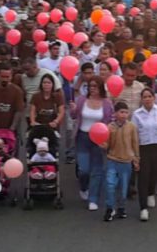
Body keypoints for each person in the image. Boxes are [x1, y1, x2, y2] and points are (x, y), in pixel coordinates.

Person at [70, 75, 113, 211]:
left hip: (98, 139)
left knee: (97, 170)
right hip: (83, 137)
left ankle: (93, 198)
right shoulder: (82, 100)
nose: (92, 89)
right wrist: (73, 110)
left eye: (95, 86)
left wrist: (107, 139)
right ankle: (84, 187)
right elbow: (74, 116)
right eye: (90, 86)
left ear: (100, 87)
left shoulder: (107, 103)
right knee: (84, 169)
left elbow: (110, 121)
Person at [132, 88, 157, 222]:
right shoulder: (137, 114)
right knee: (143, 176)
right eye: (145, 97)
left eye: (150, 96)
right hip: (143, 147)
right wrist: (134, 153)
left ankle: (150, 193)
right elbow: (134, 134)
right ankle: (143, 208)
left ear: (154, 98)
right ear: (141, 99)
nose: (147, 99)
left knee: (155, 174)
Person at [102, 101, 139, 222]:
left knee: (123, 189)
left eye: (126, 112)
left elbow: (135, 143)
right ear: (115, 113)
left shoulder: (131, 127)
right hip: (112, 160)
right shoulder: (110, 127)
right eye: (121, 112)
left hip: (126, 161)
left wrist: (136, 159)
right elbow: (107, 144)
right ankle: (109, 208)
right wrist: (102, 145)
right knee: (110, 185)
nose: (124, 115)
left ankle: (121, 208)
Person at [28, 73, 64, 157]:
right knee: (33, 145)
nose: (46, 85)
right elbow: (32, 111)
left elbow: (61, 111)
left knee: (52, 148)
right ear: (41, 84)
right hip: (39, 126)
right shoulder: (36, 96)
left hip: (51, 127)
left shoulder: (58, 96)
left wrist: (56, 121)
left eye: (49, 83)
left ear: (52, 84)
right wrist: (32, 121)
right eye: (44, 83)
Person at [0, 63, 24, 133]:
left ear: (11, 76)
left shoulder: (17, 91)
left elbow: (18, 111)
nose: (5, 79)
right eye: (3, 76)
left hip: (11, 129)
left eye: (7, 77)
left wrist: (12, 128)